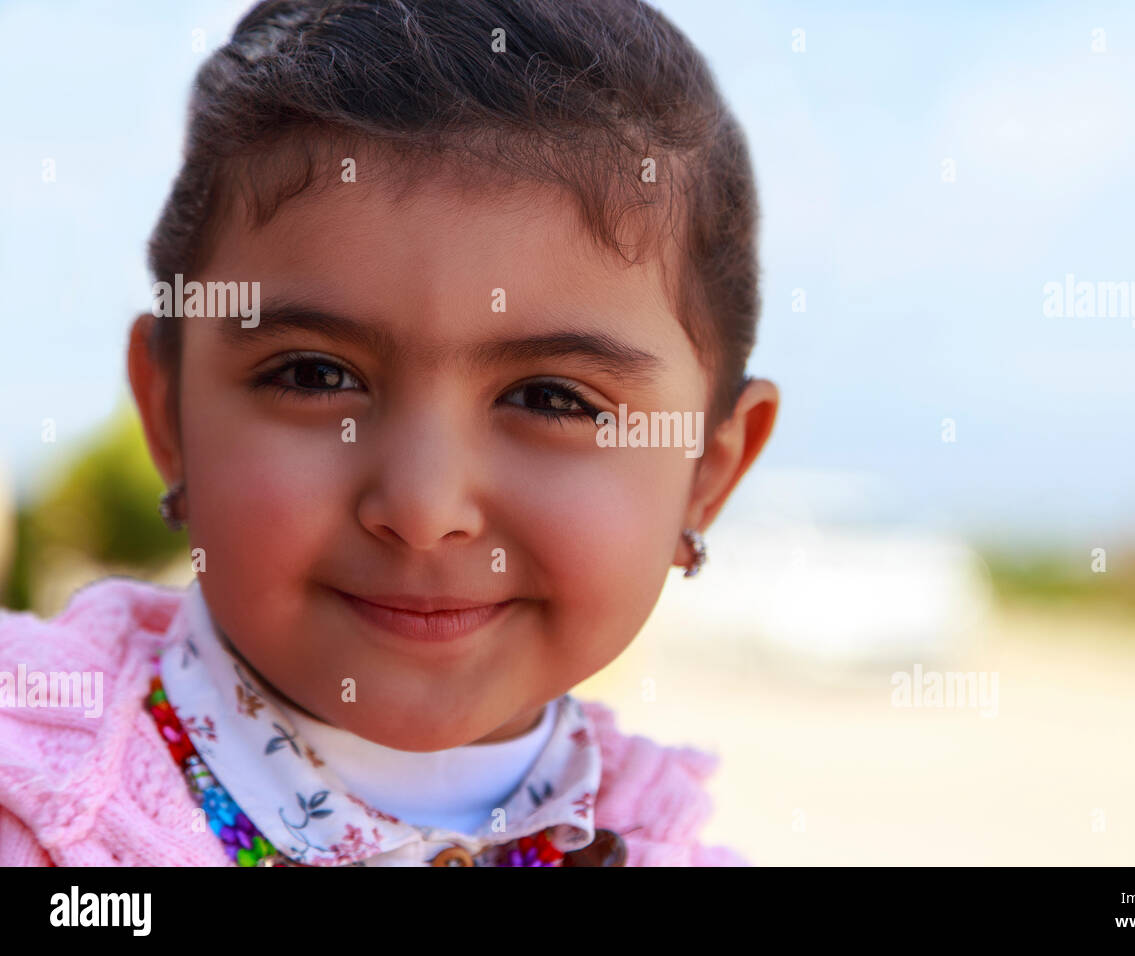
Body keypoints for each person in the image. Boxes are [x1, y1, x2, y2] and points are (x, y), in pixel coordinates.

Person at [0, 0, 778, 866]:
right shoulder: (32, 805)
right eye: (314, 376)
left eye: (553, 398)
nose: (421, 507)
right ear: (168, 410)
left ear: (708, 470)